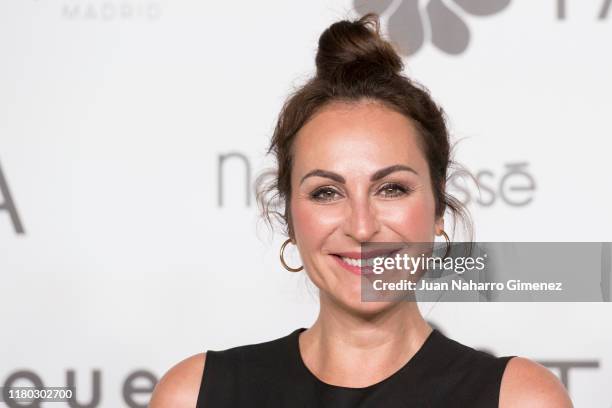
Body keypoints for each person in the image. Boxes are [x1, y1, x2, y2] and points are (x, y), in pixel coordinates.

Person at [150, 13, 572, 407]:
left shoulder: (520, 398)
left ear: (438, 207)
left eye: (391, 188)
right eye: (326, 193)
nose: (362, 226)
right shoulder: (194, 394)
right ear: (290, 219)